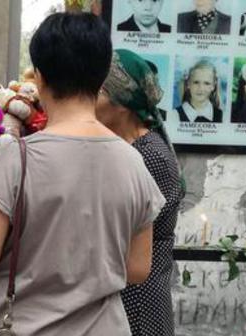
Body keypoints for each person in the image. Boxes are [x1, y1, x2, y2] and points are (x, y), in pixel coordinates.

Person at [0, 12, 165, 336]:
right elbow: (137, 269)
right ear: (101, 78)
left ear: (39, 77)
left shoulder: (17, 157)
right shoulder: (133, 162)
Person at [96, 49, 184, 336]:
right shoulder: (128, 148)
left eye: (98, 92)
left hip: (138, 306)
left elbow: (117, 234)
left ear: (123, 103)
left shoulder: (150, 157)